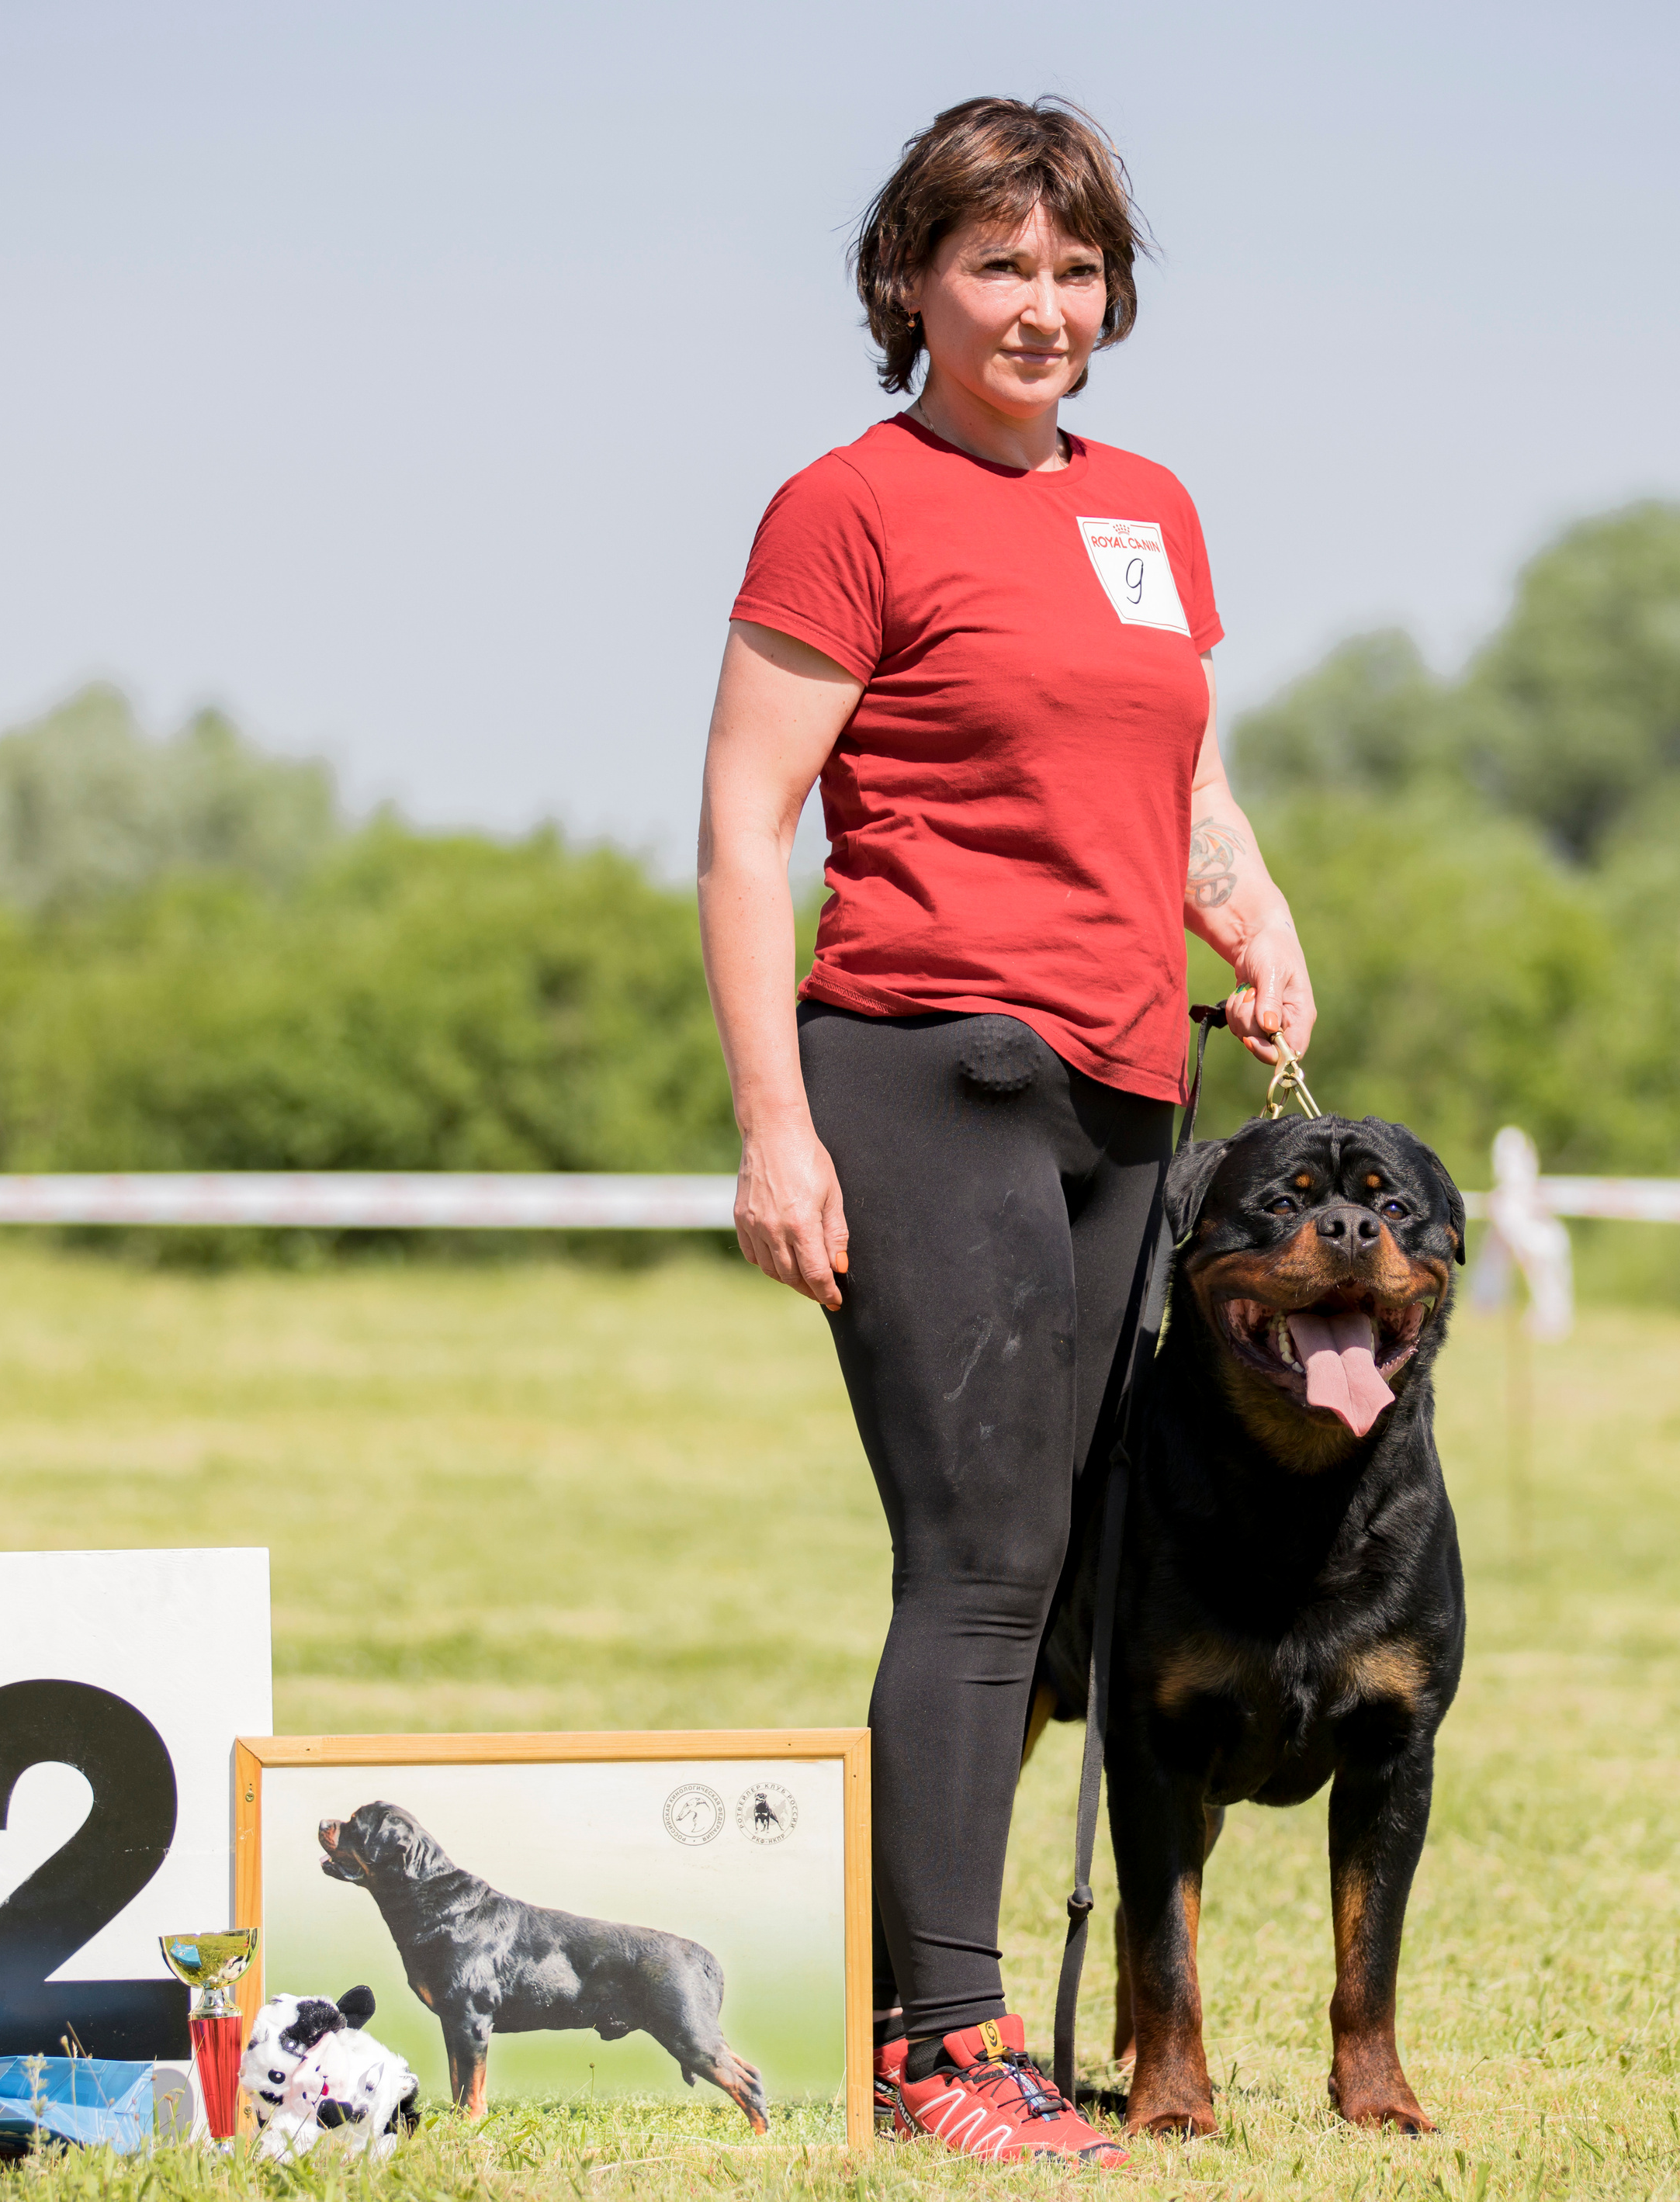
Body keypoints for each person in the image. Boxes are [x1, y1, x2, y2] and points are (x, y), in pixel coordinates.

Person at [696, 97, 1316, 2167]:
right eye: (1000, 267)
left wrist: (1254, 909)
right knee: (976, 1562)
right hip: (921, 1061)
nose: (1044, 307)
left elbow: (1179, 772)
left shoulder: (1149, 508)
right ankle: (934, 2047)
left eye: (1075, 271)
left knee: (1049, 1563)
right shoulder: (845, 506)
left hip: (1131, 1078)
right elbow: (737, 827)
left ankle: (954, 2018)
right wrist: (775, 1125)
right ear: (913, 287)